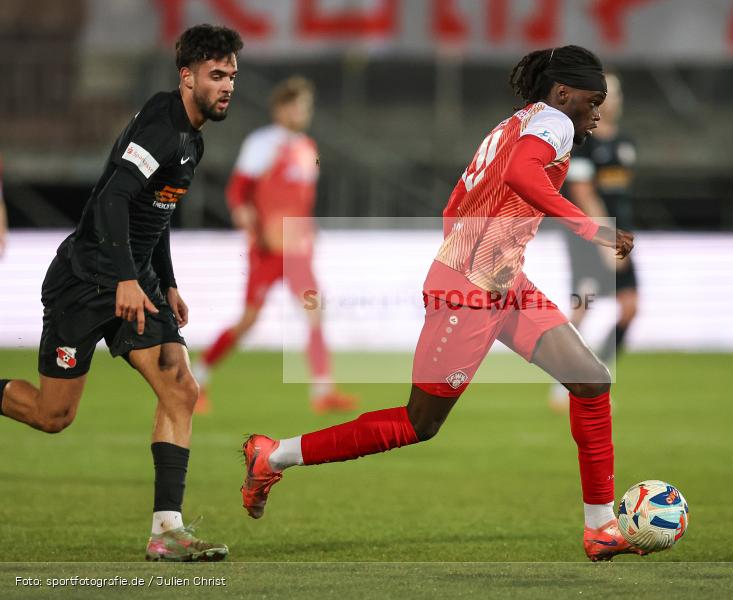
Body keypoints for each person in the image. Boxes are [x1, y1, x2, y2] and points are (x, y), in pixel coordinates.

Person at [241, 46, 642, 562]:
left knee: (591, 381)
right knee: (418, 423)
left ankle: (600, 527)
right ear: (564, 93)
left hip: (497, 281)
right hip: (471, 290)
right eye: (594, 100)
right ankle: (274, 456)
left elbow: (459, 202)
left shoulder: (516, 122)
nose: (598, 113)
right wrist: (590, 228)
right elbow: (523, 176)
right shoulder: (556, 124)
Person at [0, 24, 243, 562]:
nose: (228, 86)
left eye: (232, 76)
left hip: (136, 279)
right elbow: (112, 198)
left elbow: (153, 215)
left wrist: (167, 281)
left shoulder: (191, 139)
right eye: (216, 75)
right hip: (87, 281)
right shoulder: (161, 125)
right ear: (187, 76)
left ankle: (167, 532)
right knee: (52, 417)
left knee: (180, 389)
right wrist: (125, 279)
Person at [193, 77, 356, 415]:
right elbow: (239, 190)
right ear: (280, 109)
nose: (302, 113)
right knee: (249, 320)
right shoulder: (263, 143)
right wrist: (245, 217)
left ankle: (323, 391)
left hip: (297, 249)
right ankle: (198, 377)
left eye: (306, 107)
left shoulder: (308, 147)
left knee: (314, 313)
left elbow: (300, 199)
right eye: (296, 106)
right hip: (268, 247)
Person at [550, 72, 638, 410]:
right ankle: (567, 379)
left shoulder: (626, 144)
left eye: (617, 93)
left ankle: (599, 371)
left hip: (621, 236)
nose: (613, 99)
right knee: (582, 306)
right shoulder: (583, 142)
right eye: (607, 93)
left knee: (630, 308)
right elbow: (584, 195)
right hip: (591, 239)